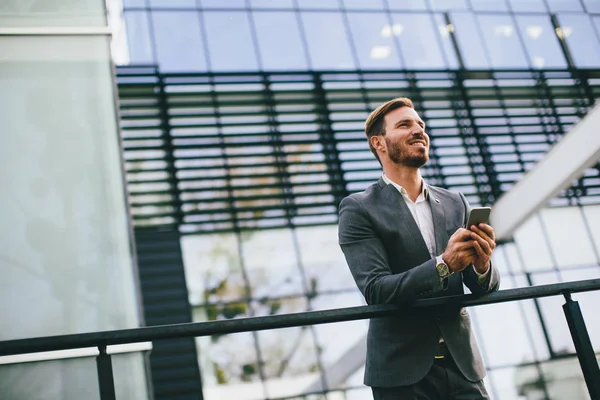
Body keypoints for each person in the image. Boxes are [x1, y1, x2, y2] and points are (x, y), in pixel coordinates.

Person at [337, 97, 500, 399]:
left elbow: (483, 287)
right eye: (404, 125)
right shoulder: (358, 209)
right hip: (401, 375)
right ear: (379, 143)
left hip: (463, 366)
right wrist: (444, 264)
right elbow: (376, 290)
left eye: (421, 125)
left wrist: (482, 265)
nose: (419, 131)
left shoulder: (455, 202)